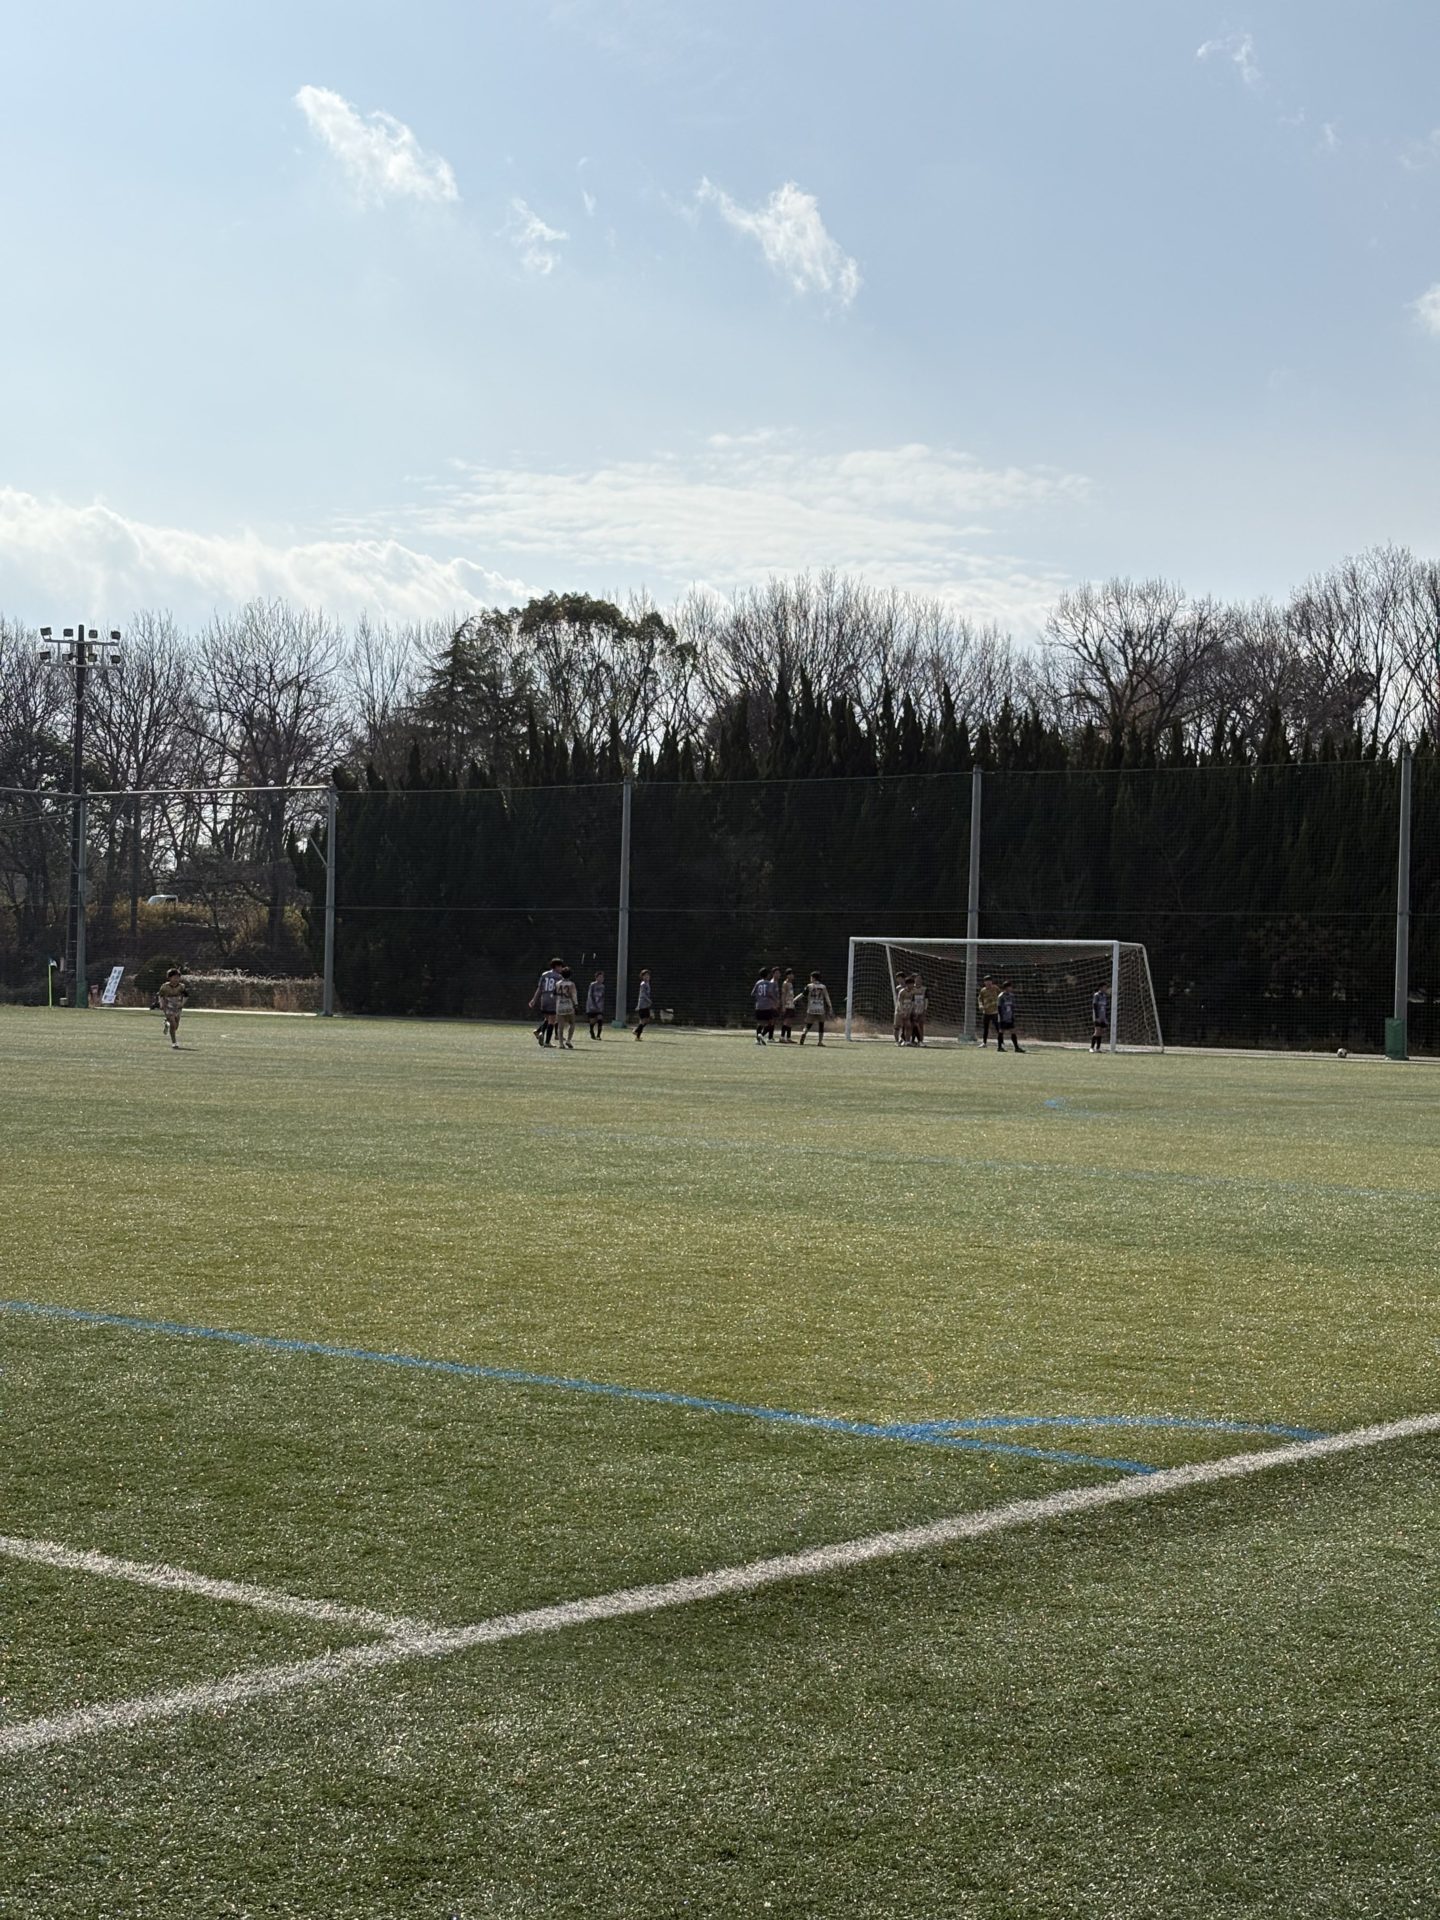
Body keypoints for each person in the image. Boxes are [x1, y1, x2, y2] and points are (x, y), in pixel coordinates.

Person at [529, 956, 563, 1047]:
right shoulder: (559, 977)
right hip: (553, 1000)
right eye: (560, 966)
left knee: (548, 1019)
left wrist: (534, 999)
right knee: (552, 1021)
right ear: (556, 966)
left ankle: (539, 1032)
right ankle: (547, 1042)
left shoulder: (544, 974)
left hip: (544, 999)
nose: (561, 968)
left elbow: (540, 988)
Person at [799, 971, 833, 1045]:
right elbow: (827, 997)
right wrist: (830, 1007)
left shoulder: (809, 986)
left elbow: (803, 994)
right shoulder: (823, 987)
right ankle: (820, 1042)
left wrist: (795, 1000)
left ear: (813, 978)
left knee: (808, 1024)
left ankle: (804, 1033)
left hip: (811, 1008)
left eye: (811, 977)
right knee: (821, 1024)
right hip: (820, 1008)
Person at [158, 966, 188, 1049]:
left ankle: (166, 1023)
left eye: (178, 978)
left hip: (177, 1007)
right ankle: (174, 1043)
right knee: (173, 1023)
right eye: (174, 978)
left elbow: (186, 996)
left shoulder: (181, 986)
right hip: (168, 1006)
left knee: (175, 1026)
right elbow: (160, 996)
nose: (176, 979)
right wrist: (161, 1004)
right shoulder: (164, 987)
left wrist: (182, 1004)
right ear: (169, 978)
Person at [752, 967, 779, 1045]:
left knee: (760, 1023)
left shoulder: (758, 983)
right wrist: (776, 1000)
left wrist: (759, 998)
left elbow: (753, 993)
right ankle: (761, 1035)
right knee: (771, 1022)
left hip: (758, 1006)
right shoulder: (769, 983)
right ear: (767, 975)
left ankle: (758, 1040)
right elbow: (770, 993)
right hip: (767, 1006)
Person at [996, 981, 1025, 1053]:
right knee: (1001, 1031)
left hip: (1009, 1017)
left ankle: (1016, 1048)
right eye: (1010, 987)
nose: (1011, 988)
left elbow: (1012, 1006)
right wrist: (1001, 1017)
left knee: (1013, 1031)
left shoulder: (1011, 996)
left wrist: (1013, 1015)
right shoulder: (1001, 996)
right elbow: (999, 1007)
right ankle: (999, 1047)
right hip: (1003, 1017)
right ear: (1006, 987)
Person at [554, 966, 579, 1050]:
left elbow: (555, 994)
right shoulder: (571, 984)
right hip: (569, 1005)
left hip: (560, 1005)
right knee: (572, 1023)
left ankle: (561, 1043)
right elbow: (574, 995)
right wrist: (576, 1005)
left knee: (560, 1025)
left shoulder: (557, 984)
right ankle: (568, 1040)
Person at [977, 975, 1001, 1047]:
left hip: (994, 1012)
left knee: (998, 1028)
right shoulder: (983, 990)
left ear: (992, 982)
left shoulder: (995, 988)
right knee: (985, 1028)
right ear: (984, 982)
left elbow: (1001, 995)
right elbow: (980, 999)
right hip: (986, 1012)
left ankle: (1001, 1042)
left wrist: (998, 1003)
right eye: (987, 981)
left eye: (990, 981)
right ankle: (984, 1043)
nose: (988, 983)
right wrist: (980, 1005)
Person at [633, 968, 654, 1039]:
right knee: (643, 1020)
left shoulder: (647, 983)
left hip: (646, 1005)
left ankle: (637, 1032)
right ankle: (637, 1034)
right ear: (642, 977)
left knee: (646, 1020)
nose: (647, 976)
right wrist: (648, 1000)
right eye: (645, 975)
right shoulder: (643, 984)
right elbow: (643, 995)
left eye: (648, 975)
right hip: (642, 1005)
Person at [778, 968, 798, 1043]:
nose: (793, 976)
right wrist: (783, 1005)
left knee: (790, 1021)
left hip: (791, 1004)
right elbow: (783, 995)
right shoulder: (785, 983)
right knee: (786, 1020)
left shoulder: (790, 983)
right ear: (788, 975)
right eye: (791, 974)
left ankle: (788, 1037)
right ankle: (782, 1037)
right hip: (787, 1005)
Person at [586, 969, 606, 1041]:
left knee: (600, 1019)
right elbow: (590, 995)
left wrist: (601, 1005)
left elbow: (602, 996)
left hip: (599, 1007)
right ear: (596, 978)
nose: (601, 979)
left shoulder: (603, 986)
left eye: (602, 977)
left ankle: (598, 1035)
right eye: (599, 977)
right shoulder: (592, 985)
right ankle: (591, 1031)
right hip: (592, 1007)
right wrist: (593, 1004)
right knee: (592, 1021)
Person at [894, 974, 913, 1046]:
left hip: (907, 1011)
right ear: (907, 984)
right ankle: (897, 1042)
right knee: (897, 1026)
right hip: (900, 1011)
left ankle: (907, 1041)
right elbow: (899, 1002)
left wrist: (909, 1011)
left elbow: (912, 1002)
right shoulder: (902, 991)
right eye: (911, 984)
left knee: (908, 1026)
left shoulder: (912, 992)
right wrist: (902, 1011)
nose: (912, 986)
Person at [1091, 984, 1111, 1053]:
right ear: (1100, 988)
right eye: (1104, 987)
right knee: (1097, 1031)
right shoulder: (1096, 995)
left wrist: (1106, 1017)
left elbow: (1106, 1007)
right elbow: (1094, 1005)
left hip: (1103, 1017)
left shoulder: (1104, 996)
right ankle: (1091, 1048)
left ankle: (1098, 1048)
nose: (1105, 989)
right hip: (1098, 1016)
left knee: (1101, 1032)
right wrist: (1097, 1017)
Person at [909, 974, 928, 1046]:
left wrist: (925, 1009)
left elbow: (926, 1000)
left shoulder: (924, 989)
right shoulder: (912, 989)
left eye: (920, 979)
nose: (918, 980)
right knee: (912, 1025)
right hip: (913, 1010)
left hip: (921, 1009)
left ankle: (921, 1040)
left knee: (921, 1025)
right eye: (917, 979)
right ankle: (911, 1040)